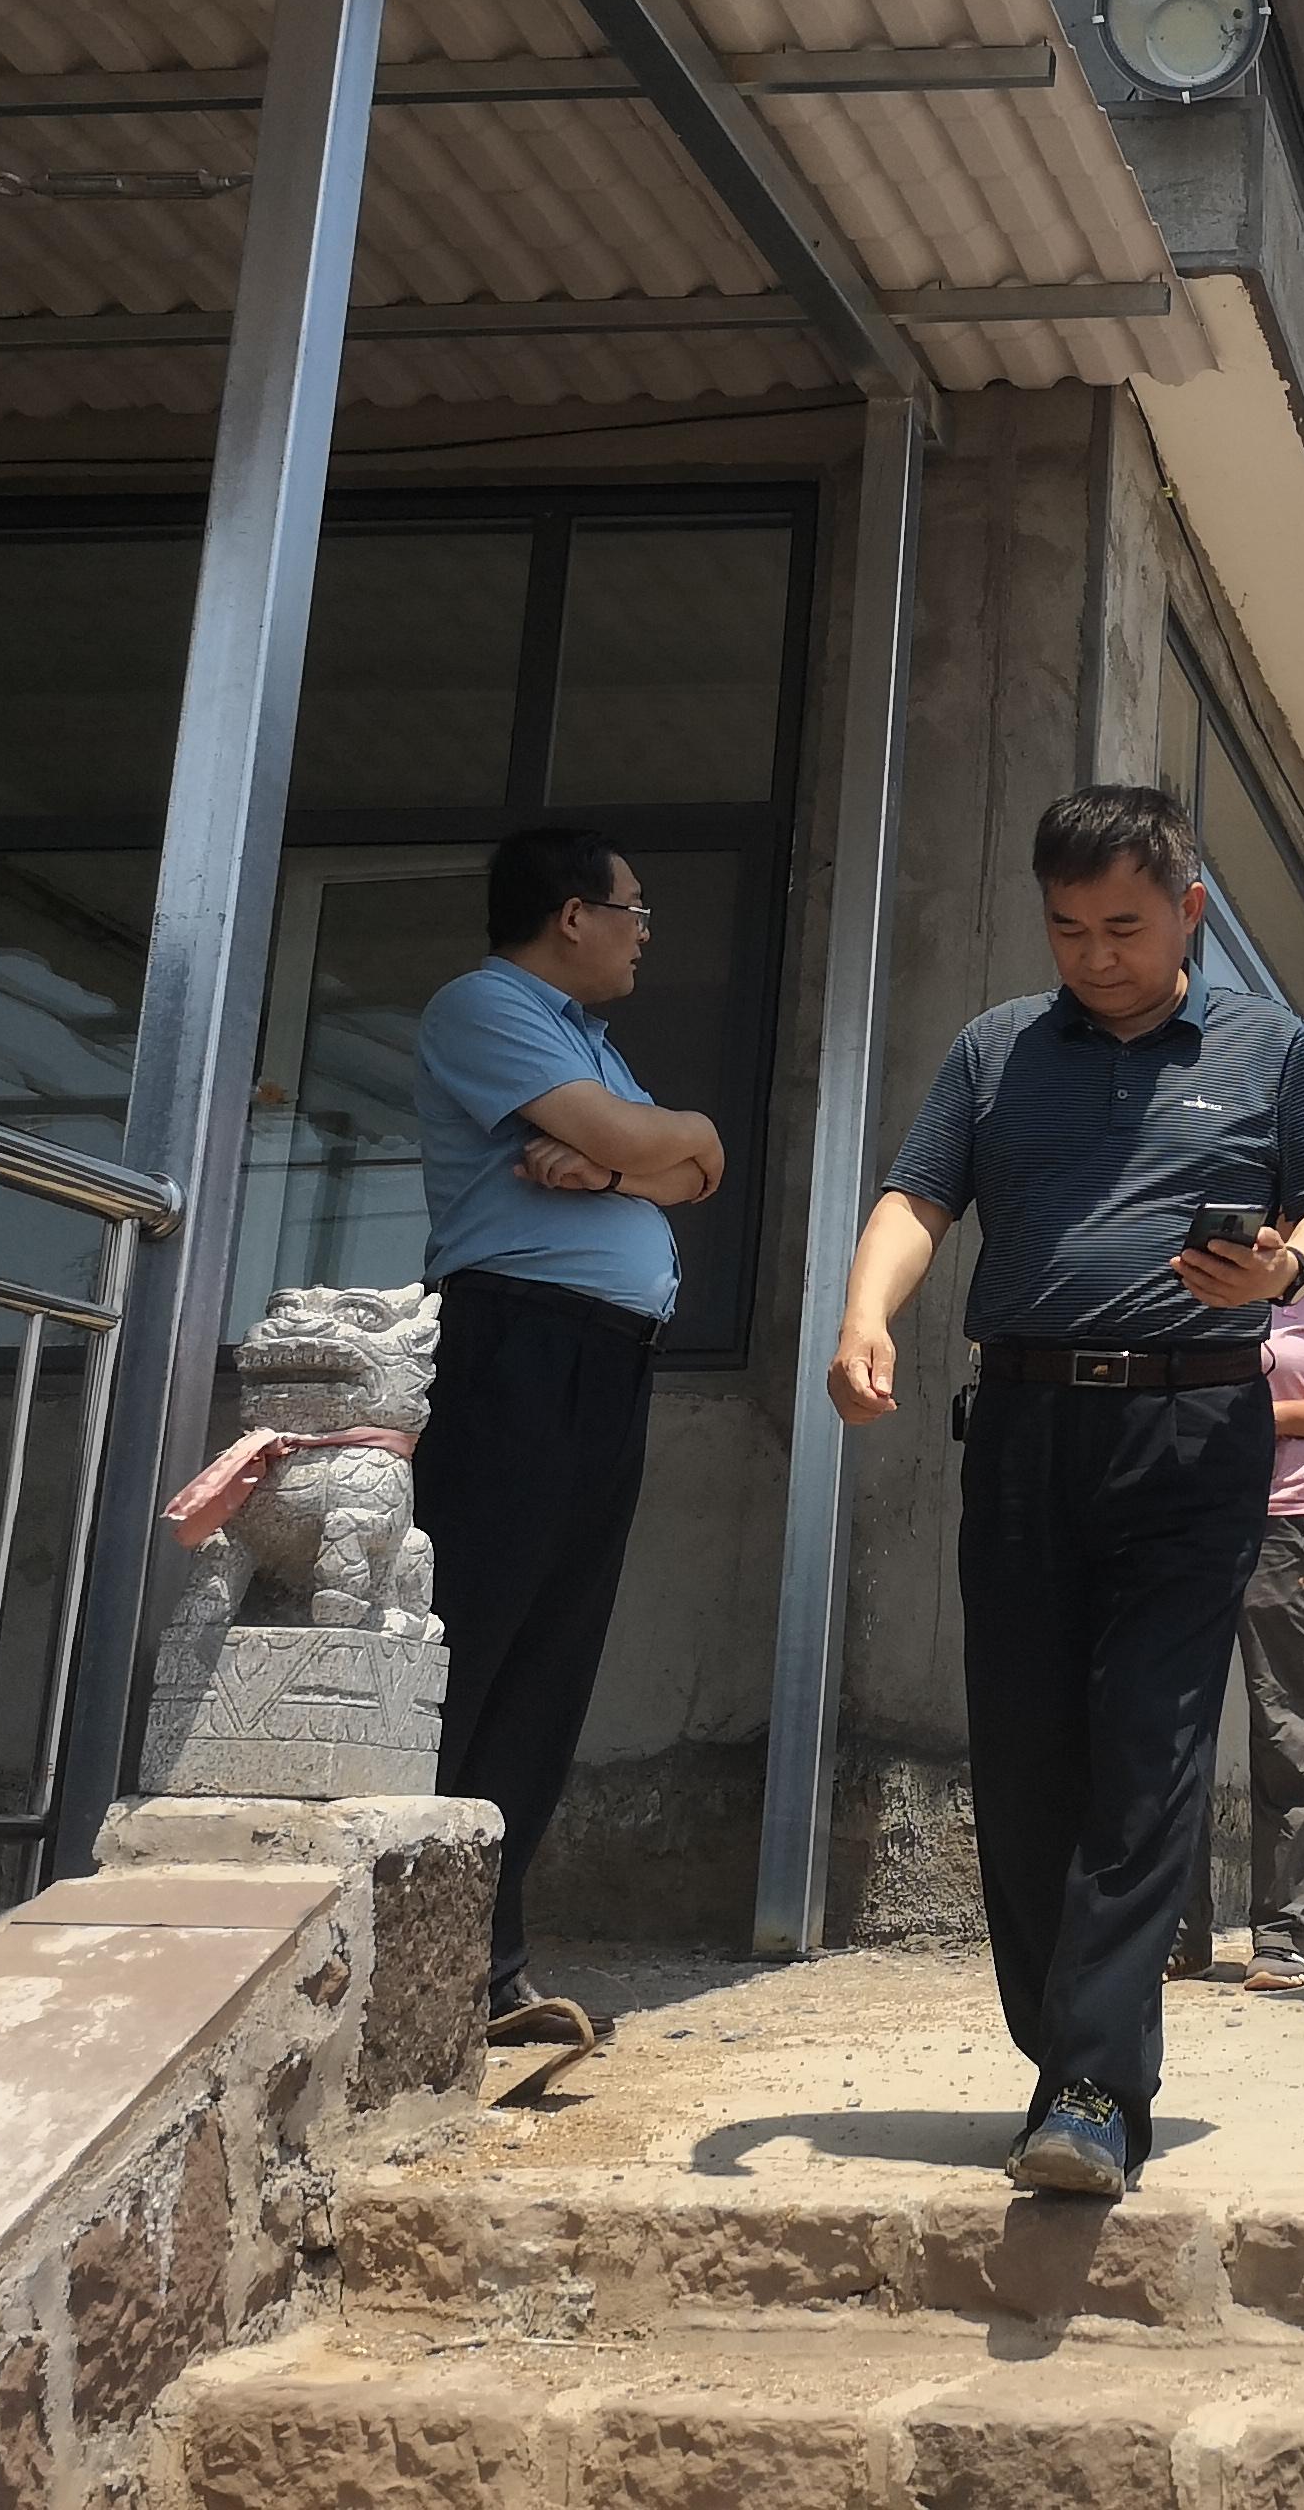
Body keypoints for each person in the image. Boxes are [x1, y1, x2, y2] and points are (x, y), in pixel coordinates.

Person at [829, 786, 1304, 2200]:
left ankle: (1090, 2086)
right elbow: (918, 1196)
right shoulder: (996, 1049)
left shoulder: (1270, 1047)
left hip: (1195, 1431)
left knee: (1151, 1744)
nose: (1095, 955)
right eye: (1067, 929)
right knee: (1023, 1755)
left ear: (1188, 910)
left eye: (1123, 927)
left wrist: (1285, 1269)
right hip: (1022, 1427)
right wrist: (868, 1312)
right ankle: (1064, 2046)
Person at [411, 827, 723, 2030]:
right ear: (573, 914)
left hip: (604, 1359)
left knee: (554, 1652)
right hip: (515, 1345)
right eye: (634, 911)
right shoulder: (484, 1005)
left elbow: (699, 1166)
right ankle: (406, 1947)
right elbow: (665, 1149)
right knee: (475, 1633)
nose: (644, 936)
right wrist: (649, 1149)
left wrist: (622, 1166)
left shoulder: (591, 1043)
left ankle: (487, 1965)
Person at [1170, 1255, 1304, 1992]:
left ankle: (1284, 1934)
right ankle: (1175, 1933)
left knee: (1287, 1728)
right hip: (1184, 1516)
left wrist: (1266, 1419)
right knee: (1169, 1726)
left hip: (1288, 1521)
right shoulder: (1193, 1259)